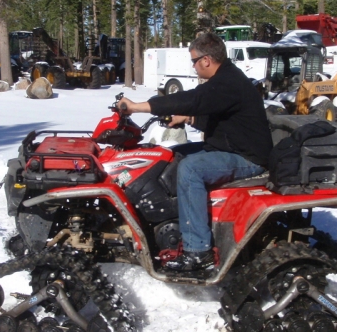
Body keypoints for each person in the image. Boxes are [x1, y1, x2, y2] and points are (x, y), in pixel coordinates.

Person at [116, 32, 273, 272]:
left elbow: (194, 99)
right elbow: (220, 118)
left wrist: (139, 107)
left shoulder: (227, 82)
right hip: (231, 145)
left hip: (248, 157)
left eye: (194, 61)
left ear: (207, 60)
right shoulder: (225, 80)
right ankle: (171, 221)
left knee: (190, 170)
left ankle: (198, 251)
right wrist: (189, 118)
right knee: (173, 156)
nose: (193, 67)